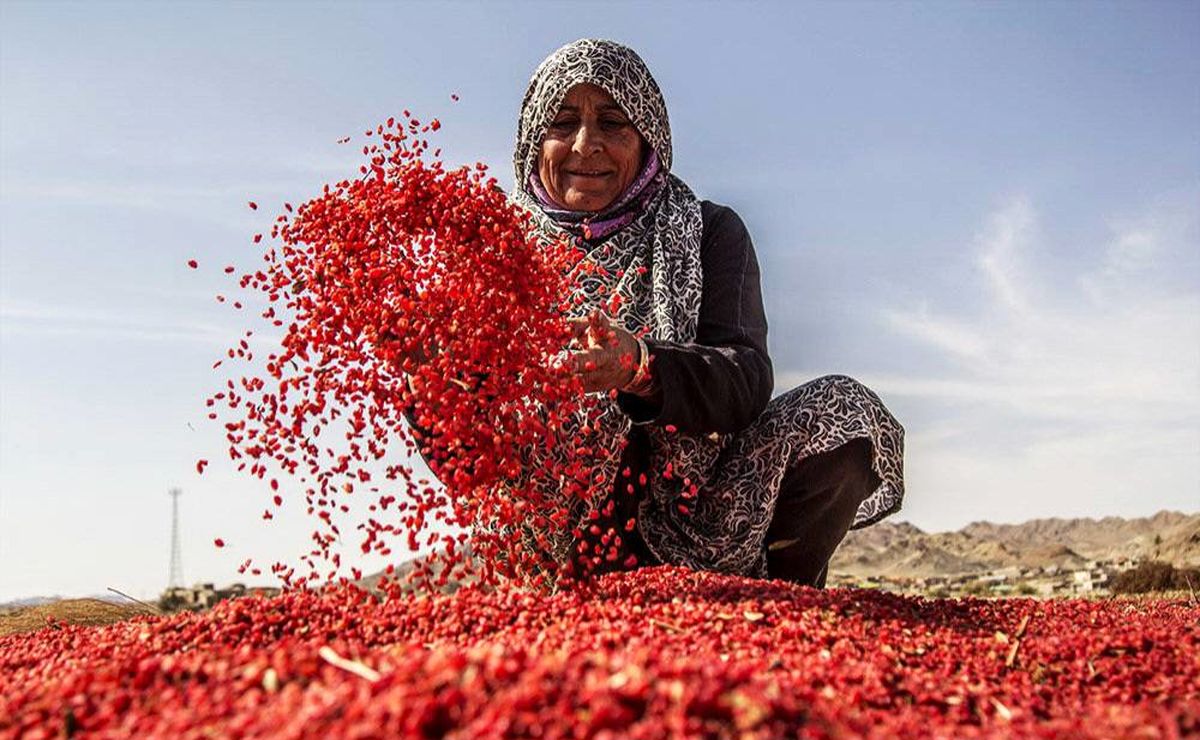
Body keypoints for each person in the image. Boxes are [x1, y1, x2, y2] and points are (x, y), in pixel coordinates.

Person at [500, 39, 905, 589]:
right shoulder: (501, 254)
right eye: (563, 121)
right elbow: (465, 448)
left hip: (701, 520)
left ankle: (783, 600)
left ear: (648, 139)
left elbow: (744, 378)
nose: (585, 144)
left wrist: (641, 367)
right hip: (554, 540)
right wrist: (424, 386)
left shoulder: (706, 231)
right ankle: (558, 591)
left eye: (613, 122)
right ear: (532, 139)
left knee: (842, 412)